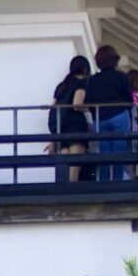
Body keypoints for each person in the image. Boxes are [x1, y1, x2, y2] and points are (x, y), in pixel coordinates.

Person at [85, 45, 135, 181]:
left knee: (104, 154)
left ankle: (104, 183)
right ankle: (118, 182)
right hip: (119, 115)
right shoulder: (121, 77)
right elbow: (129, 99)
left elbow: (88, 101)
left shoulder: (93, 80)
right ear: (115, 60)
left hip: (100, 118)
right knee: (119, 153)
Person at [49, 54, 92, 183]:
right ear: (85, 69)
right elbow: (77, 104)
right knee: (75, 166)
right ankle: (72, 192)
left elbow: (53, 106)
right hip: (76, 125)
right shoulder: (82, 83)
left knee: (64, 165)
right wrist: (91, 109)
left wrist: (53, 138)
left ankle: (61, 194)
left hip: (61, 127)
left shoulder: (62, 86)